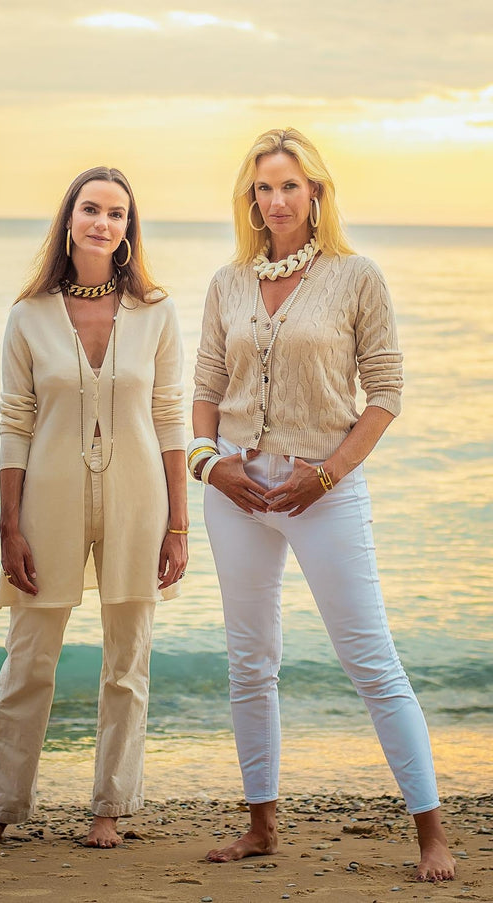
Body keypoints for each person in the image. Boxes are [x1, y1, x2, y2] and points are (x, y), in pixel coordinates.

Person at [190, 128, 455, 882]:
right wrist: (211, 467)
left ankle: (431, 832)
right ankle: (260, 823)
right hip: (236, 489)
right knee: (250, 659)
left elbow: (387, 394)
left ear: (316, 194)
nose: (276, 200)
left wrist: (327, 475)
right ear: (252, 197)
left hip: (324, 488)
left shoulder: (356, 276)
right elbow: (205, 389)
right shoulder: (227, 282)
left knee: (369, 657)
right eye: (264, 188)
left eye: (290, 186)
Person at [0, 166, 187, 849]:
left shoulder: (157, 312)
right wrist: (10, 521)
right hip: (48, 501)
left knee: (128, 661)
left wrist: (179, 524)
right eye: (91, 208)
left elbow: (171, 418)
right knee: (28, 657)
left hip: (140, 500)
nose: (102, 222)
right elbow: (15, 421)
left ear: (127, 230)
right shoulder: (28, 315)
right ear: (69, 219)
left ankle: (110, 805)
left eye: (117, 213)